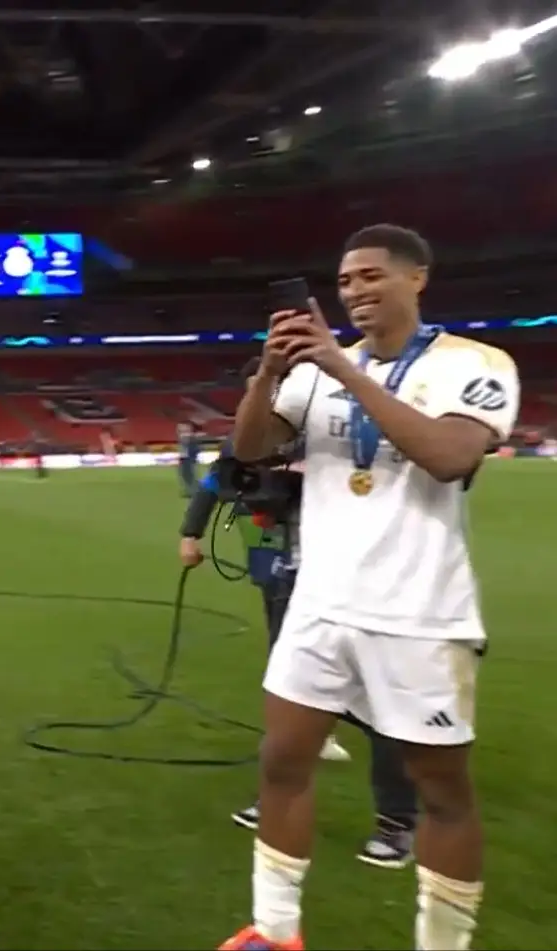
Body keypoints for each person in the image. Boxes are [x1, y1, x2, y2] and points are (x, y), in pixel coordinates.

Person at [220, 224, 519, 951]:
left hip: (418, 613)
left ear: (417, 277)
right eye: (345, 280)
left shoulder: (474, 364)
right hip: (319, 605)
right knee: (282, 764)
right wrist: (267, 374)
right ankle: (274, 931)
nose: (353, 291)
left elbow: (449, 457)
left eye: (370, 276)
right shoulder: (315, 369)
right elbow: (249, 449)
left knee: (441, 793)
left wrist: (342, 369)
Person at [180, 358, 419, 869]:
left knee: (378, 701)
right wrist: (192, 531)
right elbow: (216, 481)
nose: (267, 400)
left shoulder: (339, 432)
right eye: (258, 390)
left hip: (357, 586)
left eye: (275, 389)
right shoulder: (250, 437)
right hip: (283, 577)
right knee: (290, 694)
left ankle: (397, 822)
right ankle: (278, 796)